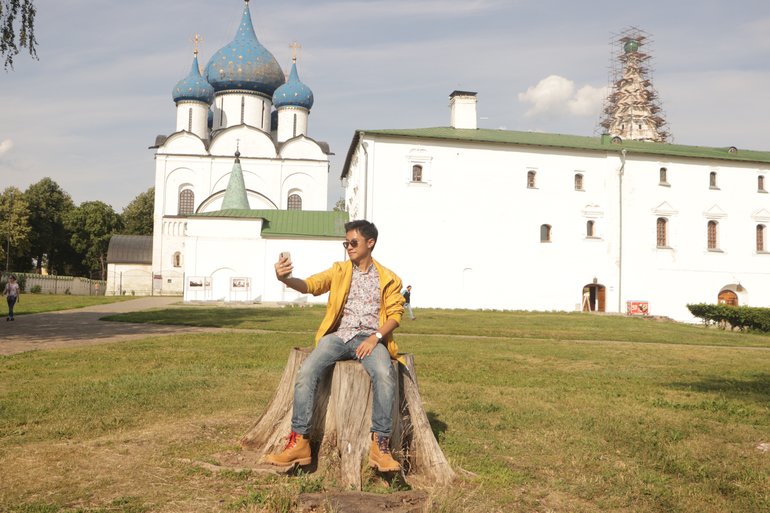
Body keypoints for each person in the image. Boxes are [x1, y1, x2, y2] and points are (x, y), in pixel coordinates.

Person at [265, 220, 405, 472]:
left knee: (385, 375)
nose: (348, 247)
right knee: (307, 371)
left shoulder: (389, 278)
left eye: (354, 242)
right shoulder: (340, 270)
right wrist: (286, 279)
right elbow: (311, 285)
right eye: (346, 243)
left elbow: (395, 315)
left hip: (371, 339)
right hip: (339, 336)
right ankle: (299, 443)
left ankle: (380, 447)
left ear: (370, 243)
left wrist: (375, 337)